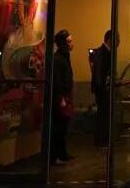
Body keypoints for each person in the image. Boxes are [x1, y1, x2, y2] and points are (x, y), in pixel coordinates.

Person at [51, 29, 74, 164]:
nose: (71, 44)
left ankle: (62, 153)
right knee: (58, 127)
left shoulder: (64, 57)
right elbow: (57, 80)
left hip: (65, 95)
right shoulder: (58, 59)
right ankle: (55, 156)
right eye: (69, 41)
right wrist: (61, 98)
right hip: (61, 97)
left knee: (64, 126)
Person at [91, 30, 118, 147]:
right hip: (103, 89)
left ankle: (103, 139)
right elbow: (100, 73)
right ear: (110, 39)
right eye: (117, 39)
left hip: (102, 88)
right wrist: (104, 87)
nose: (118, 42)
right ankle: (101, 140)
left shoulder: (102, 52)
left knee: (104, 114)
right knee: (103, 114)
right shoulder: (103, 53)